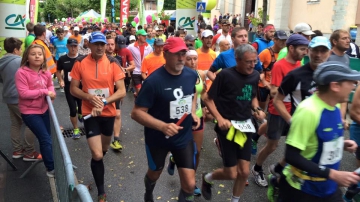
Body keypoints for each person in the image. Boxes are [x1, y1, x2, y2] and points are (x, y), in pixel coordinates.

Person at [277, 61, 360, 202]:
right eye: (350, 82)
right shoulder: (308, 111)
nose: (354, 86)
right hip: (301, 191)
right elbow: (291, 155)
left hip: (327, 188)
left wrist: (341, 143)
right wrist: (333, 174)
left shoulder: (334, 106)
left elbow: (319, 139)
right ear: (335, 86)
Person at [131, 37, 200, 202]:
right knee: (154, 174)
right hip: (158, 139)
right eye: (177, 54)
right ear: (166, 54)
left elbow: (193, 91)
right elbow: (136, 113)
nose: (182, 58)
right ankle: (148, 192)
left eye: (183, 53)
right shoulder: (153, 81)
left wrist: (192, 111)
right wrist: (162, 126)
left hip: (183, 137)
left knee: (189, 185)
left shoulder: (191, 74)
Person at [267, 36, 331, 201]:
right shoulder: (296, 75)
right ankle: (280, 184)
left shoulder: (333, 75)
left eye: (323, 51)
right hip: (301, 128)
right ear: (308, 52)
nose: (318, 55)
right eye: (315, 50)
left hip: (323, 128)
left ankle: (279, 176)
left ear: (329, 53)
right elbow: (277, 99)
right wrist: (291, 120)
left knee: (314, 165)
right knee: (298, 165)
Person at [201, 44, 266, 201]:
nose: (252, 65)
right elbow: (207, 99)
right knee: (231, 173)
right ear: (237, 60)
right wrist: (220, 118)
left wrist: (257, 110)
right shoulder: (225, 76)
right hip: (227, 127)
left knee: (244, 172)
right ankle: (207, 178)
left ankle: (234, 200)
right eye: (248, 62)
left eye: (254, 61)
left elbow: (252, 96)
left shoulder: (255, 75)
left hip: (245, 126)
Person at [69, 31, 126, 202]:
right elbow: (73, 89)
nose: (100, 47)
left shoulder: (113, 62)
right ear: (89, 45)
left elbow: (122, 91)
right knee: (97, 154)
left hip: (107, 112)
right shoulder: (79, 62)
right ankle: (101, 192)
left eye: (103, 44)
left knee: (104, 149)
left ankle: (97, 167)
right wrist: (89, 97)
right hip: (89, 112)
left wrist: (105, 102)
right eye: (97, 44)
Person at [252, 34, 309, 187]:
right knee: (272, 145)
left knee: (295, 145)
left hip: (296, 111)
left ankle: (278, 169)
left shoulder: (299, 65)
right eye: (302, 49)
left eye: (306, 49)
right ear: (291, 48)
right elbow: (274, 91)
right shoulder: (280, 66)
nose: (305, 52)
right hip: (278, 111)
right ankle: (257, 168)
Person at [167, 48, 207, 196]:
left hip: (197, 116)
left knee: (196, 152)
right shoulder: (178, 75)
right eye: (189, 59)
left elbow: (203, 93)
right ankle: (185, 180)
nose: (192, 62)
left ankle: (191, 180)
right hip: (181, 118)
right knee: (183, 150)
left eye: (195, 59)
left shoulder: (201, 74)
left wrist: (205, 109)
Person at [15, 44, 56, 177]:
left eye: (40, 54)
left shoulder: (46, 72)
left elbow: (50, 85)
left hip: (44, 109)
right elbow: (24, 93)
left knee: (47, 139)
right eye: (33, 54)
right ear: (27, 57)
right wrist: (45, 92)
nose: (37, 56)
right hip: (30, 112)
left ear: (44, 57)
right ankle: (51, 169)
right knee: (45, 139)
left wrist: (52, 92)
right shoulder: (21, 72)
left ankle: (49, 160)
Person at [0, 37, 41, 161]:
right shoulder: (19, 62)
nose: (21, 51)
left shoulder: (1, 61)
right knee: (31, 123)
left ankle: (17, 150)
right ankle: (29, 152)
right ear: (15, 49)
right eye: (20, 49)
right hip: (20, 97)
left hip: (8, 97)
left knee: (16, 124)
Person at [56, 38, 83, 139]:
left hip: (81, 87)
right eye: (71, 46)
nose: (73, 48)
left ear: (78, 47)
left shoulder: (82, 58)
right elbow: (58, 71)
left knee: (81, 108)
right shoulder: (63, 59)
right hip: (69, 87)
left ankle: (80, 112)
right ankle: (76, 129)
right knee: (72, 109)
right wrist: (61, 80)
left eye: (75, 46)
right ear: (67, 46)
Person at [256, 30, 288, 111]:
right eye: (281, 40)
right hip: (263, 85)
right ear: (275, 39)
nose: (284, 43)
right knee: (261, 108)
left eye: (285, 40)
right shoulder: (265, 53)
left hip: (276, 85)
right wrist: (264, 82)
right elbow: (257, 68)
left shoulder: (285, 53)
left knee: (274, 107)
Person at [127, 29, 153, 96]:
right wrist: (129, 67)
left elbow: (151, 59)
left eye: (145, 36)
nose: (145, 37)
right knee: (140, 92)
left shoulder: (149, 47)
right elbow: (126, 56)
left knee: (146, 91)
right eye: (143, 36)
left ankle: (137, 100)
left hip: (146, 72)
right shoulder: (131, 47)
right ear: (138, 36)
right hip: (136, 72)